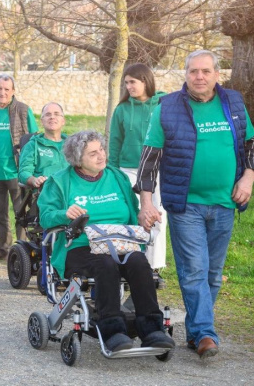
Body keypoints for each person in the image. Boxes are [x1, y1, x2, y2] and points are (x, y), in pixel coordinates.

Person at [134, 49, 254, 359]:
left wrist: (247, 180)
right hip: (185, 204)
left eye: (205, 71)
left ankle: (195, 331)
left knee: (213, 275)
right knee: (194, 271)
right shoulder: (167, 108)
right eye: (193, 71)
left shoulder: (233, 102)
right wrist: (146, 203)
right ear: (186, 75)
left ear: (217, 74)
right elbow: (149, 160)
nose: (199, 77)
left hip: (224, 203)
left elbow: (253, 146)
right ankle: (206, 334)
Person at [38, 131, 175, 353]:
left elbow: (133, 210)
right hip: (80, 247)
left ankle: (152, 329)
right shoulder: (60, 182)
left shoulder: (117, 177)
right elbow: (45, 217)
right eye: (93, 153)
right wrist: (64, 213)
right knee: (105, 265)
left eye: (101, 149)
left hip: (121, 243)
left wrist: (144, 216)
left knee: (139, 262)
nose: (101, 155)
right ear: (77, 159)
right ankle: (112, 330)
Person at [108, 63, 167, 270]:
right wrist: (112, 173)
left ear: (145, 81)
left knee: (158, 216)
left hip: (157, 171)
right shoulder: (122, 109)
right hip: (128, 169)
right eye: (126, 83)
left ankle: (154, 267)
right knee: (132, 216)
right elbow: (114, 142)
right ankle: (132, 264)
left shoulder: (163, 103)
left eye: (133, 82)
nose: (129, 87)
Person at [0, 74, 38, 259]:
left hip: (17, 171)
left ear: (13, 91)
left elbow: (34, 138)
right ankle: (3, 248)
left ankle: (22, 250)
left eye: (6, 89)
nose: (2, 92)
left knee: (21, 213)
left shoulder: (23, 110)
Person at [18, 102, 69, 190]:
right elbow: (23, 172)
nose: (52, 117)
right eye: (48, 114)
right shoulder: (32, 145)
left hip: (72, 192)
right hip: (45, 193)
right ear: (42, 121)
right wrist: (34, 180)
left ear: (63, 121)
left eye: (56, 114)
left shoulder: (73, 144)